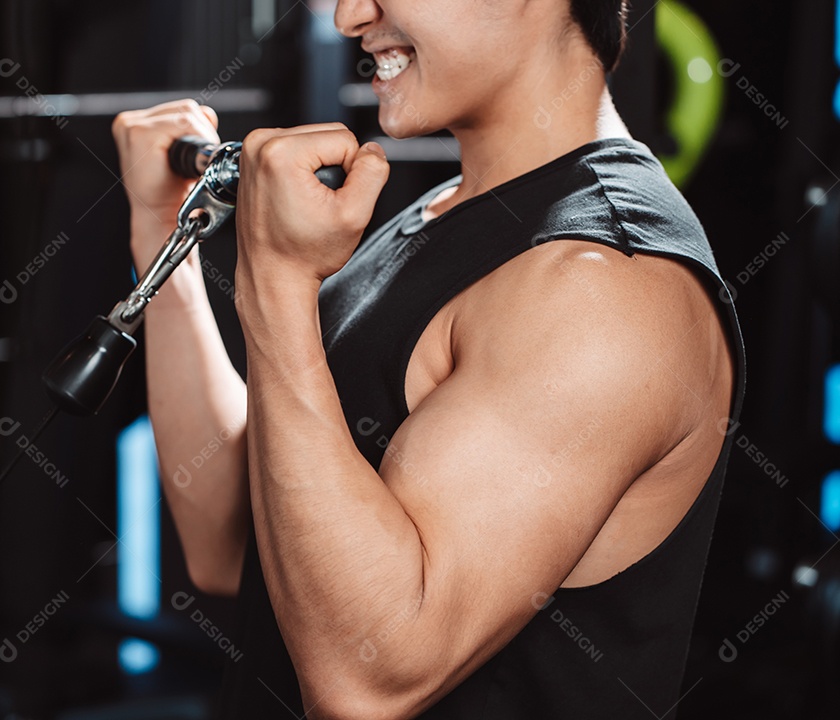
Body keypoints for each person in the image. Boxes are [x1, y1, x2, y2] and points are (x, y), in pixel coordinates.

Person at [110, 0, 745, 717]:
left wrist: (279, 282)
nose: (352, 15)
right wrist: (163, 233)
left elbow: (368, 681)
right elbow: (232, 548)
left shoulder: (601, 286)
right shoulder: (452, 210)